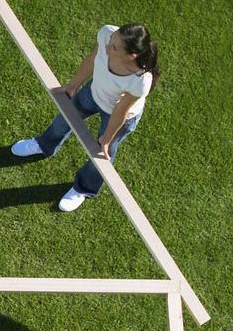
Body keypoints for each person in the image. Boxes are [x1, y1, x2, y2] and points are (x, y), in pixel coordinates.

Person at [10, 22, 159, 211]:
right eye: (112, 41)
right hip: (94, 92)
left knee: (103, 154)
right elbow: (92, 59)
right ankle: (44, 145)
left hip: (119, 114)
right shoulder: (107, 33)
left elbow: (121, 110)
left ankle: (84, 188)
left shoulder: (140, 80)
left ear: (132, 56)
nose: (108, 46)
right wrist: (73, 85)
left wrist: (106, 139)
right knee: (64, 118)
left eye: (114, 47)